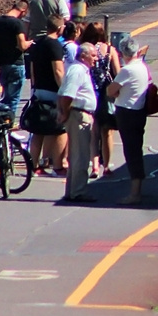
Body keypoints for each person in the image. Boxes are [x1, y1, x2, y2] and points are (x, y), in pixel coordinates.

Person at [107, 37, 150, 205]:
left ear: (122, 52)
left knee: (131, 152)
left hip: (126, 112)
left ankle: (135, 193)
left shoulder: (127, 70)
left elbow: (110, 91)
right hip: (139, 111)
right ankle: (137, 188)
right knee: (136, 149)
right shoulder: (142, 67)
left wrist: (116, 91)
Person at [57, 42, 99, 202]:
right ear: (84, 56)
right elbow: (67, 94)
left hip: (78, 114)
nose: (96, 59)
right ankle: (78, 191)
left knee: (76, 156)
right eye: (93, 55)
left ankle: (72, 191)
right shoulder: (78, 71)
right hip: (79, 116)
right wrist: (65, 113)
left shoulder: (78, 69)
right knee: (81, 156)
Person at [79, 22, 120, 179]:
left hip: (90, 92)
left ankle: (95, 166)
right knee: (107, 132)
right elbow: (118, 73)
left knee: (93, 132)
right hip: (106, 93)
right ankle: (107, 165)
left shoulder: (84, 49)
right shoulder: (109, 50)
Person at [28, 16, 67, 176]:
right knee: (59, 129)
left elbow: (32, 69)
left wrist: (34, 87)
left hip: (38, 90)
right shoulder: (55, 45)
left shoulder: (37, 44)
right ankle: (58, 166)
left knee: (39, 130)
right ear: (60, 29)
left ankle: (34, 165)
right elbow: (58, 71)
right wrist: (64, 90)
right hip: (52, 91)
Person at [0, 0, 33, 118]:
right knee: (13, 99)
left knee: (5, 97)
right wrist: (29, 43)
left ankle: (1, 123)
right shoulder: (17, 24)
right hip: (16, 64)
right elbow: (22, 46)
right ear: (23, 10)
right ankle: (8, 127)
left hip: (2, 64)